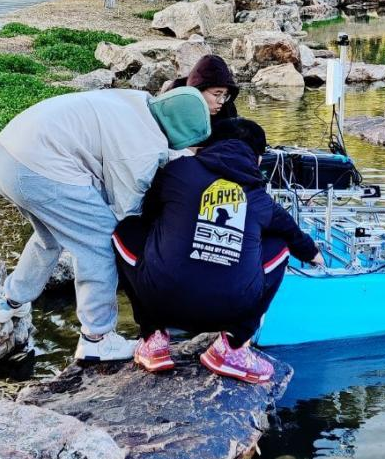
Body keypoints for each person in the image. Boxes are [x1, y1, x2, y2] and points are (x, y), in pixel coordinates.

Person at [0, 87, 212, 362]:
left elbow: (155, 151)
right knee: (101, 240)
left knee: (51, 237)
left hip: (7, 155)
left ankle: (11, 301)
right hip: (39, 170)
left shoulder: (138, 101)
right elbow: (126, 216)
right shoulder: (138, 150)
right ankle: (97, 338)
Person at [111, 118, 323, 383]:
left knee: (125, 229)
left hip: (161, 301)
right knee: (279, 246)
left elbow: (148, 215)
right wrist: (315, 256)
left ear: (205, 147)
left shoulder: (178, 170)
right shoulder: (259, 197)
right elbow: (296, 237)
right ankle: (232, 346)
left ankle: (153, 338)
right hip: (228, 312)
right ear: (257, 159)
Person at [161, 54, 239, 122]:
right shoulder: (172, 109)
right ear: (197, 92)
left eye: (225, 95)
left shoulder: (227, 109)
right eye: (216, 94)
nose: (222, 101)